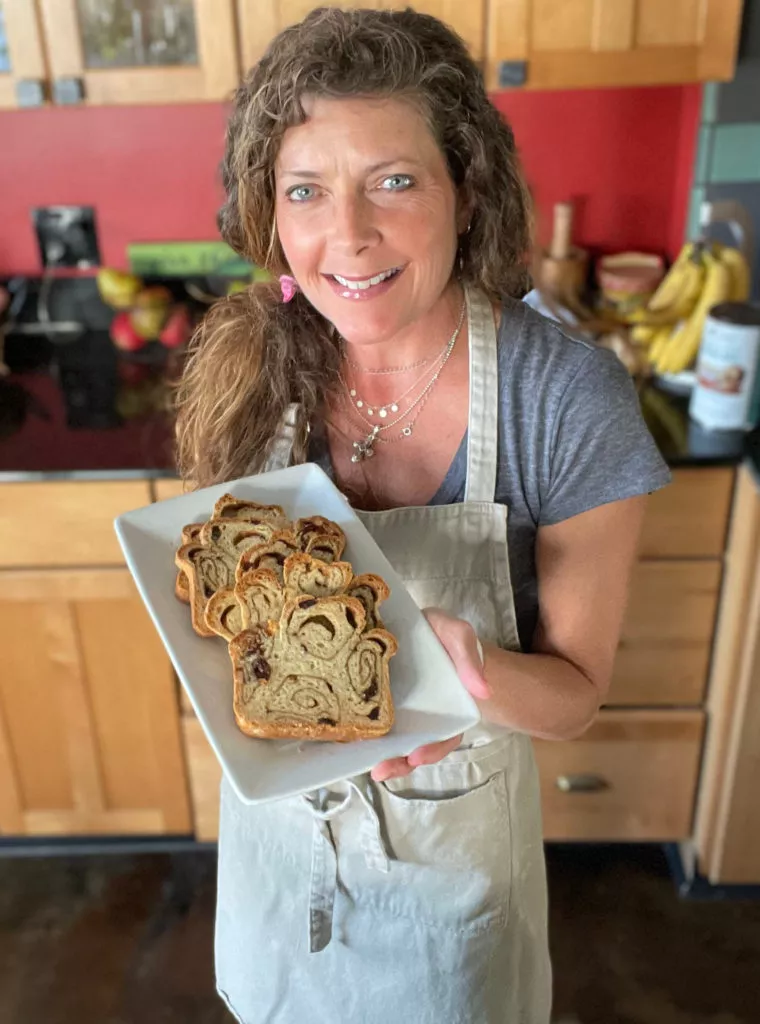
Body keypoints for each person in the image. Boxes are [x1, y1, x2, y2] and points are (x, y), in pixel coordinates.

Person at [175, 8, 671, 1022]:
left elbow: (574, 698)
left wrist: (464, 669)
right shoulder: (251, 370)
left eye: (393, 182)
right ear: (272, 213)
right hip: (277, 867)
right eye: (305, 190)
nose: (347, 234)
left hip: (449, 893)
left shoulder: (563, 399)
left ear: (465, 193)